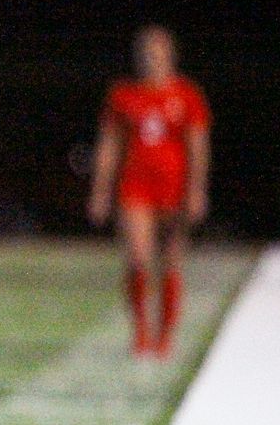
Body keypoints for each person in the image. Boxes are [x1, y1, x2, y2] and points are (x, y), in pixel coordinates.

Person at [87, 24, 212, 358]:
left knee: (170, 262)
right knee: (139, 260)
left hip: (174, 188)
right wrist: (100, 191)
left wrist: (197, 190)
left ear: (170, 55)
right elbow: (109, 145)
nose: (151, 60)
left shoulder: (187, 95)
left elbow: (197, 146)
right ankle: (141, 332)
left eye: (158, 53)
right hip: (135, 187)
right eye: (145, 53)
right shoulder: (123, 95)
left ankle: (165, 336)